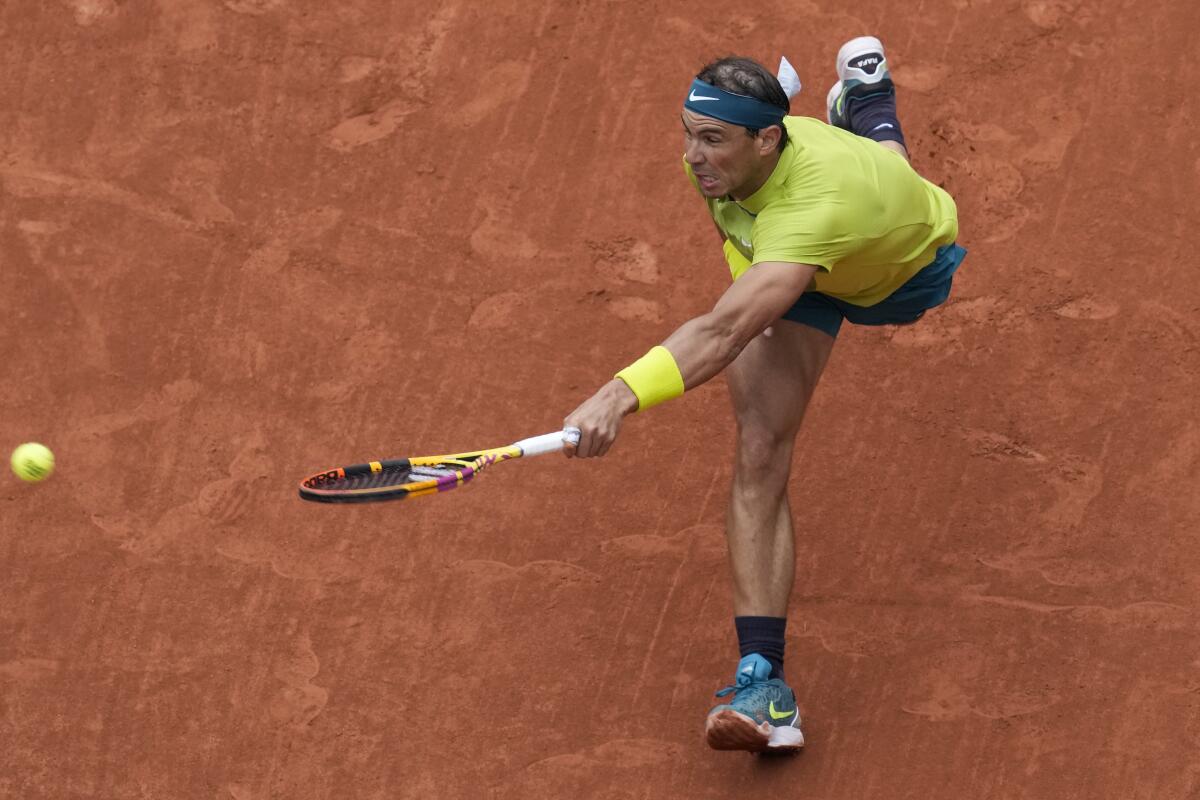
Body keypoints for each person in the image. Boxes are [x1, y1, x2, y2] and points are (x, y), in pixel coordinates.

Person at [563, 36, 965, 754]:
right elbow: (743, 279)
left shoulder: (820, 203)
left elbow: (721, 333)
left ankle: (868, 107)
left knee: (892, 176)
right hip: (783, 255)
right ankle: (764, 683)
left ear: (767, 141)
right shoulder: (724, 164)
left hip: (898, 267)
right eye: (689, 135)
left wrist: (617, 396)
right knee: (759, 447)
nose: (692, 158)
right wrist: (728, 172)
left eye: (713, 140)